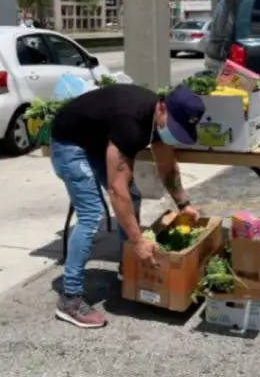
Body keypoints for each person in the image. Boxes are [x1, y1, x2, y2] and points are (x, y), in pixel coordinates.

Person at [49, 84, 205, 329]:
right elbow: (116, 190)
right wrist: (139, 240)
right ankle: (69, 299)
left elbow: (167, 167)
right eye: (174, 126)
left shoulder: (158, 122)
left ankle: (129, 267)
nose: (174, 133)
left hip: (97, 138)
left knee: (133, 196)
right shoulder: (131, 124)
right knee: (91, 215)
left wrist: (183, 204)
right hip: (70, 143)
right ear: (162, 106)